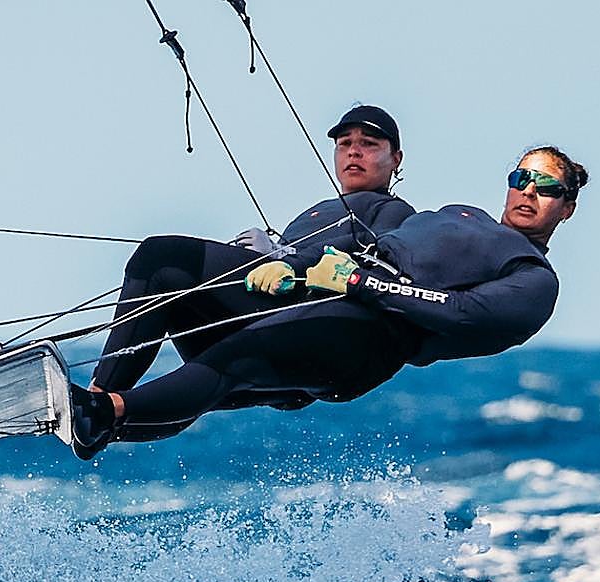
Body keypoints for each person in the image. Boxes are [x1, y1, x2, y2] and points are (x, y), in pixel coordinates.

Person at [70, 145, 588, 459]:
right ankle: (95, 400)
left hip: (369, 336)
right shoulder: (458, 212)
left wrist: (360, 284)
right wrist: (290, 264)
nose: (528, 191)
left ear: (567, 208)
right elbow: (366, 244)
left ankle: (107, 413)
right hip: (323, 289)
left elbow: (459, 313)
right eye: (521, 178)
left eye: (546, 187)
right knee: (164, 260)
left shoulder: (534, 279)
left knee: (238, 357)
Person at [87, 105, 414, 443]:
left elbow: (368, 251)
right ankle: (98, 422)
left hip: (308, 330)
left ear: (396, 159)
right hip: (264, 335)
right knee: (175, 302)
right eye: (344, 143)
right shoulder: (314, 213)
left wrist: (284, 256)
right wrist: (267, 254)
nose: (354, 151)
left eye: (369, 143)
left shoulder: (396, 212)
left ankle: (98, 397)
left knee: (162, 257)